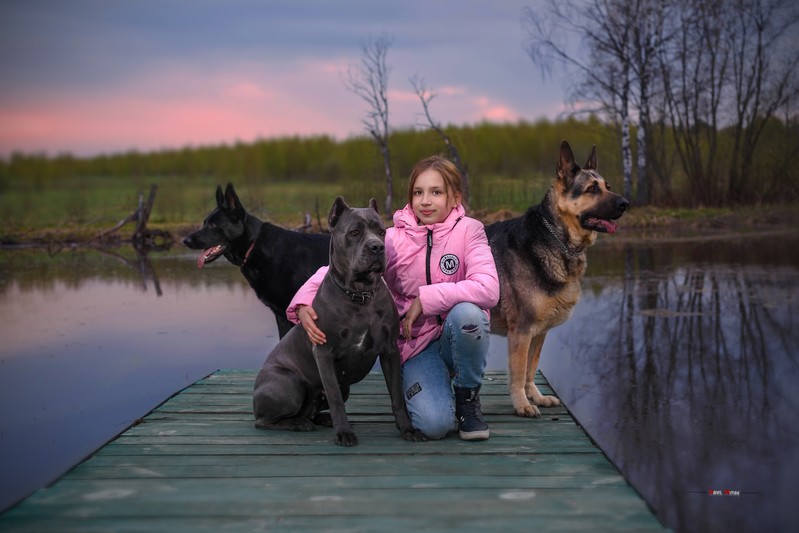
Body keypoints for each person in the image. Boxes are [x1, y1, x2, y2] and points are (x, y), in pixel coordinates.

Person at [287, 155, 499, 441]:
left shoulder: (469, 231)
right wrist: (302, 303)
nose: (426, 200)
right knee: (435, 425)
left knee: (469, 315)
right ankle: (435, 386)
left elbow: (488, 289)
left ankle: (467, 399)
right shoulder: (392, 239)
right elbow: (336, 267)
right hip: (415, 346)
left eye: (436, 192)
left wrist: (426, 299)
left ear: (454, 198)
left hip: (455, 337)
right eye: (418, 192)